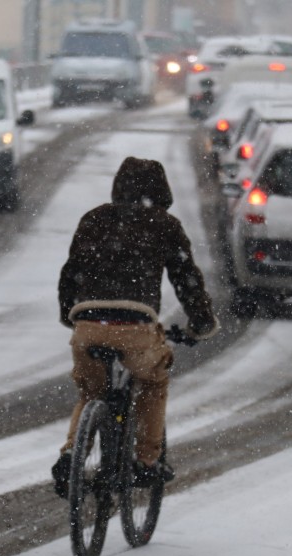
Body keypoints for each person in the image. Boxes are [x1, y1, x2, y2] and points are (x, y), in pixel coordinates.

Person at [51, 156, 220, 499]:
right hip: (135, 326)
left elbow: (69, 274)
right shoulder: (165, 225)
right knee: (154, 381)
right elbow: (186, 279)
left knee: (91, 393)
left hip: (88, 323)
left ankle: (71, 455)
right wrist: (200, 323)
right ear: (162, 191)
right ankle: (146, 461)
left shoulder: (93, 219)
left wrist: (70, 316)